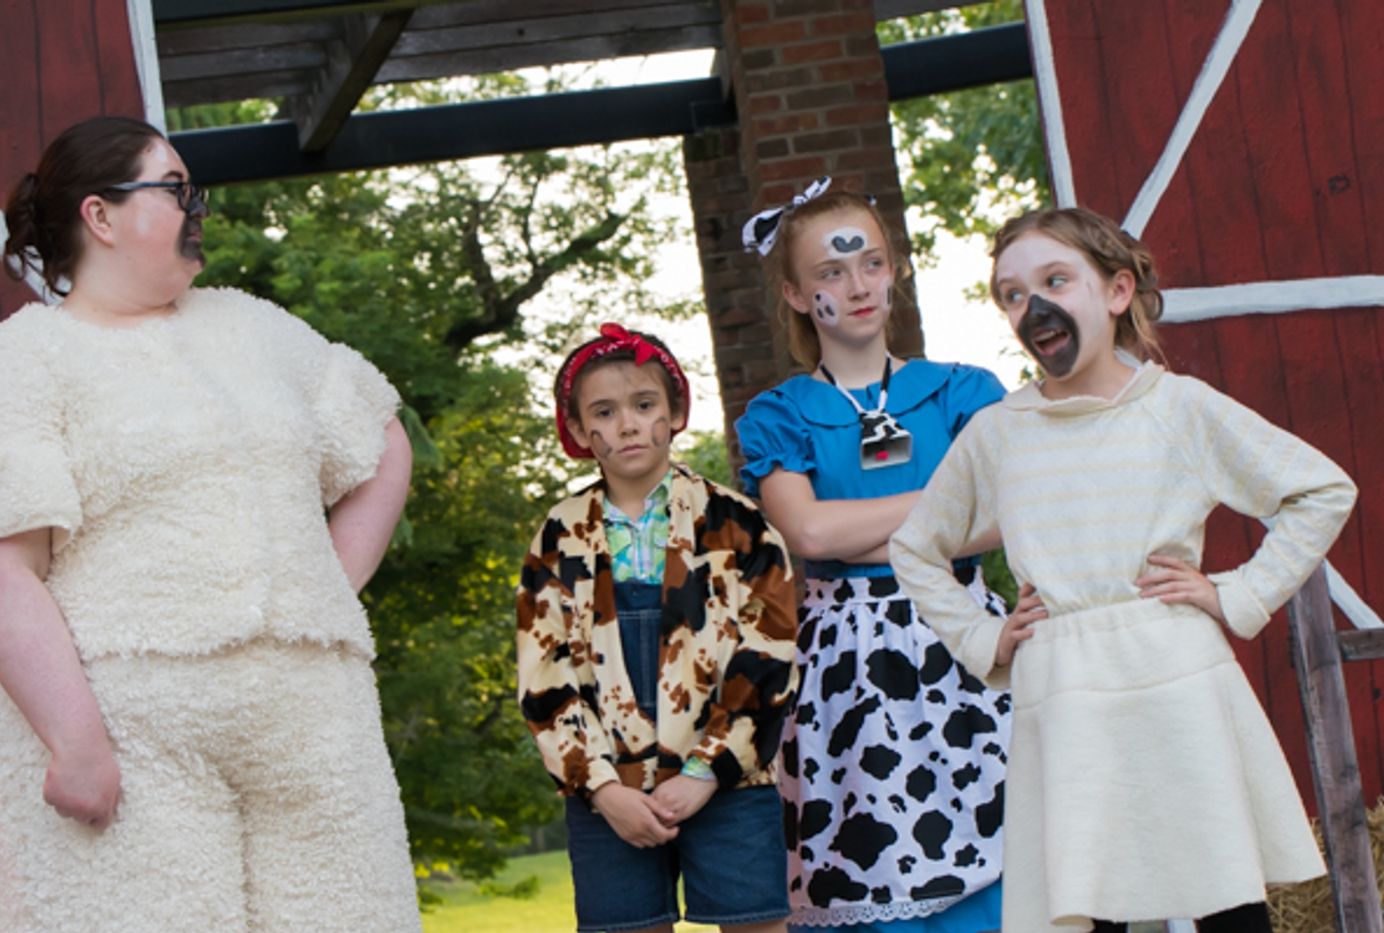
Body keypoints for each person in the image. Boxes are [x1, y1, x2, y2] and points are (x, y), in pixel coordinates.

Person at [0, 115, 421, 931]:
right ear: (100, 216)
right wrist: (76, 742)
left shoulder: (251, 327)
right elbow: (1, 569)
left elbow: (379, 435)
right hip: (135, 736)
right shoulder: (20, 361)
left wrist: (332, 581)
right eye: (175, 187)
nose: (198, 207)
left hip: (314, 726)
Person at [889, 206, 1358, 933]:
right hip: (1065, 687)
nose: (1032, 305)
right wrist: (986, 637)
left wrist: (1236, 591)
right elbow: (915, 546)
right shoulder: (999, 433)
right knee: (1091, 903)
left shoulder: (1176, 407)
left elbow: (1321, 489)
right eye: (1011, 294)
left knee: (1228, 905)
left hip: (1176, 672)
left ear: (1115, 292)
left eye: (1054, 280)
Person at [734, 177, 1010, 932]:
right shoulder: (780, 414)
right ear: (795, 292)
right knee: (869, 865)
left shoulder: (963, 390)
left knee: (999, 861)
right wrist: (954, 501)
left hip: (968, 644)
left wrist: (866, 526)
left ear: (896, 269)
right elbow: (810, 535)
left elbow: (1008, 513)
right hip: (843, 671)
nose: (857, 286)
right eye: (830, 271)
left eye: (872, 263)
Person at [516, 323, 798, 933]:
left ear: (673, 413)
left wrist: (705, 772)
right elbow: (545, 678)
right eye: (605, 412)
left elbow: (768, 655)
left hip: (728, 779)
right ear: (581, 432)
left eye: (644, 405)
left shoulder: (738, 524)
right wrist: (602, 788)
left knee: (758, 924)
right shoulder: (559, 536)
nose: (626, 424)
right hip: (608, 790)